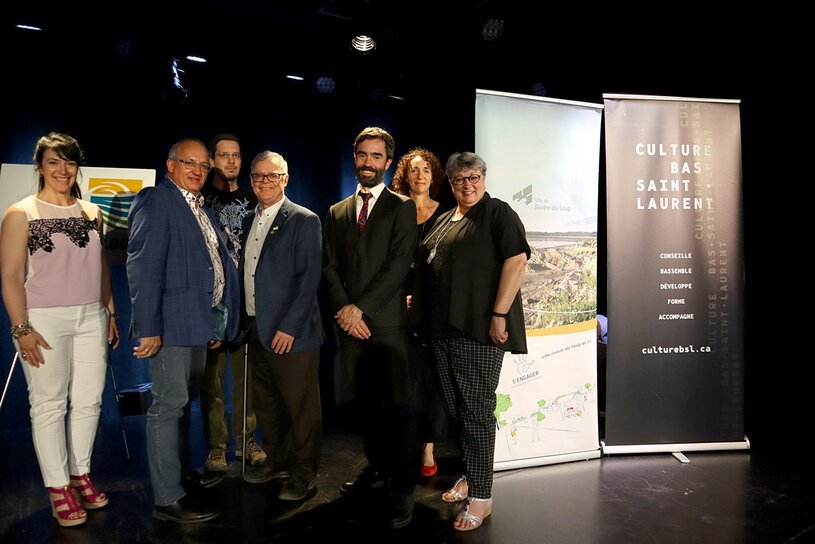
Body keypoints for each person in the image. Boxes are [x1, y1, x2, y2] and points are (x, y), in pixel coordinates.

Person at [0, 132, 119, 527]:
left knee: (89, 402)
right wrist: (22, 328)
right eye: (54, 162)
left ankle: (79, 475)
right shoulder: (22, 212)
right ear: (40, 167)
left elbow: (99, 265)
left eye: (69, 162)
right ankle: (57, 488)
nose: (62, 170)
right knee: (49, 404)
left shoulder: (91, 212)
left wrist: (110, 310)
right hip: (45, 320)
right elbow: (11, 276)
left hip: (91, 317)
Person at [411, 151, 529, 532]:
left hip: (477, 330)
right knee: (460, 410)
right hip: (442, 331)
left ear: (484, 177)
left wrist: (498, 315)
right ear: (450, 181)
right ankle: (470, 474)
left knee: (476, 412)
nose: (468, 184)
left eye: (474, 176)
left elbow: (516, 261)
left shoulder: (498, 214)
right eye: (460, 178)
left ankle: (482, 495)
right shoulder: (446, 219)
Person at [127, 138, 240, 524]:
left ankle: (178, 475)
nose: (197, 170)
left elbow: (209, 268)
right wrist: (148, 328)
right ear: (170, 164)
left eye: (204, 166)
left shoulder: (202, 207)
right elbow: (143, 266)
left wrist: (212, 321)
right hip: (169, 326)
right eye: (188, 163)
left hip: (195, 324)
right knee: (167, 406)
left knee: (182, 404)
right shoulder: (157, 200)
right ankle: (166, 499)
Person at [322, 127, 419, 529]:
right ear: (354, 157)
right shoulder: (337, 211)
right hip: (351, 327)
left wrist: (360, 308)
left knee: (397, 410)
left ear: (387, 162)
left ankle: (403, 488)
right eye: (362, 155)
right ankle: (377, 468)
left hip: (387, 327)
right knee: (365, 408)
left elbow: (398, 267)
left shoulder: (401, 207)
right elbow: (329, 267)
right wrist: (345, 309)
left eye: (376, 156)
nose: (367, 162)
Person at [238, 151, 324, 501]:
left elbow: (308, 279)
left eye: (271, 176)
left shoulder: (303, 220)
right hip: (256, 328)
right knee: (267, 404)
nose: (264, 182)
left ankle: (304, 473)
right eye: (257, 176)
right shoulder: (247, 220)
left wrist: (289, 326)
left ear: (285, 179)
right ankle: (278, 461)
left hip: (292, 333)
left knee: (300, 406)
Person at [200, 133, 265, 472]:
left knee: (246, 379)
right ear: (212, 159)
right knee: (211, 381)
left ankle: (246, 438)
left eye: (236, 156)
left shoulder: (254, 200)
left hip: (244, 302)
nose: (231, 161)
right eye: (224, 155)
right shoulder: (199, 199)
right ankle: (215, 446)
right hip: (211, 302)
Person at [390, 147, 450, 477]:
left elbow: (446, 265)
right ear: (405, 175)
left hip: (432, 310)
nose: (420, 175)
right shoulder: (394, 211)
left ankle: (428, 447)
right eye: (413, 170)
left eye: (426, 169)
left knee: (431, 381)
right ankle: (402, 442)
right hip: (396, 306)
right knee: (402, 380)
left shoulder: (445, 214)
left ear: (434, 175)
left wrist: (422, 298)